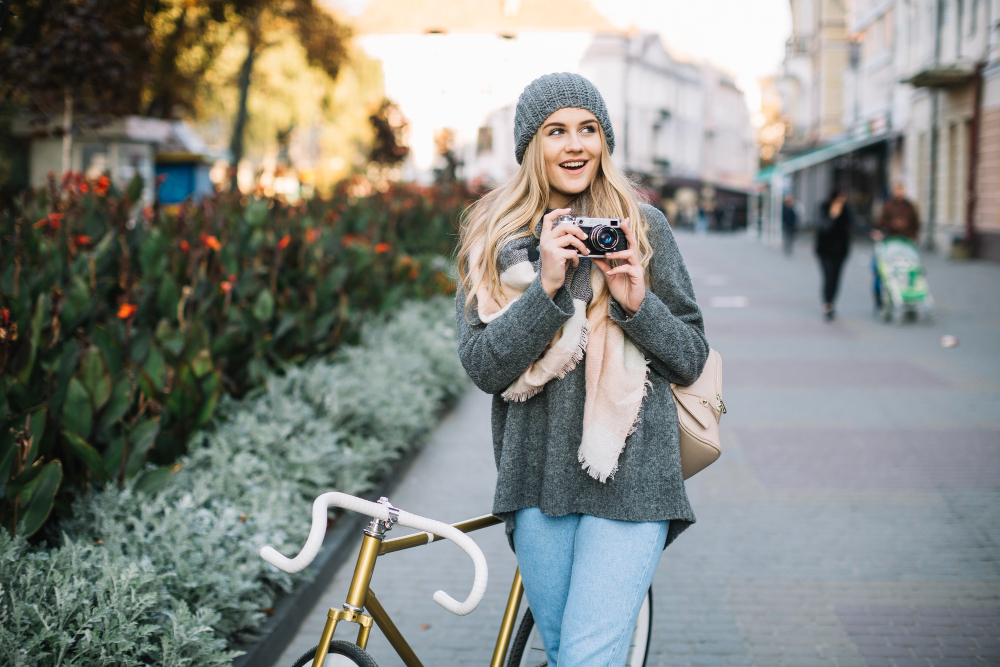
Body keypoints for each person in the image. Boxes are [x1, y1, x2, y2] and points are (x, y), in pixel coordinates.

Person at [455, 72, 708, 667]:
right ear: (529, 147)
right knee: (568, 652)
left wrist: (636, 303)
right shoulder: (495, 238)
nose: (576, 145)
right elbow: (485, 367)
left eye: (589, 129)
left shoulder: (643, 229)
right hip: (535, 479)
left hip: (633, 476)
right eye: (556, 131)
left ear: (605, 140)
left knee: (587, 657)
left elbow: (691, 355)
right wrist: (544, 287)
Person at [871, 184, 920, 310]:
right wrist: (893, 224)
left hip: (906, 243)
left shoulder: (909, 206)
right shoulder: (888, 205)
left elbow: (915, 222)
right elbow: (881, 222)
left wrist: (912, 235)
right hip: (890, 242)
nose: (899, 192)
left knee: (907, 270)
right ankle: (881, 298)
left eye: (901, 189)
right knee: (883, 270)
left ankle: (907, 297)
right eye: (897, 189)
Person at [814, 190, 852, 321]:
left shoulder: (845, 210)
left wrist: (872, 232)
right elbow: (823, 227)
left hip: (840, 252)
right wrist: (832, 216)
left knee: (836, 279)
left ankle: (831, 303)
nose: (841, 203)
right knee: (828, 277)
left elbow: (856, 223)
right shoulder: (824, 208)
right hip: (825, 251)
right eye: (839, 200)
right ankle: (827, 304)